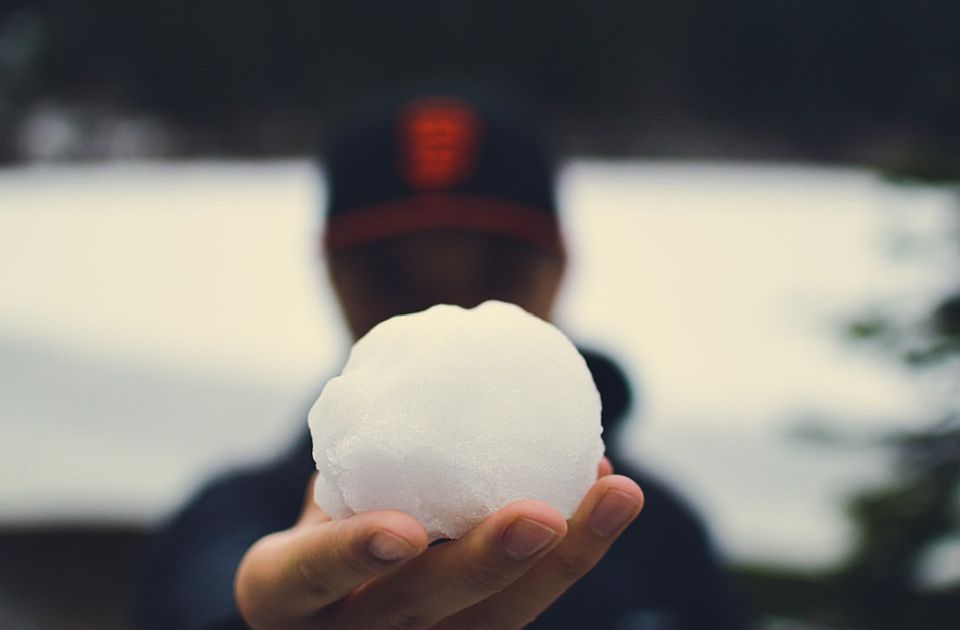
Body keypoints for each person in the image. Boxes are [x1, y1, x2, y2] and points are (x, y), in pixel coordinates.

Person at [136, 92, 746, 629]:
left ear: (561, 267)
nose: (443, 308)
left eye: (494, 270)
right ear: (333, 279)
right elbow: (214, 585)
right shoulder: (235, 519)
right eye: (390, 273)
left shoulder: (659, 536)